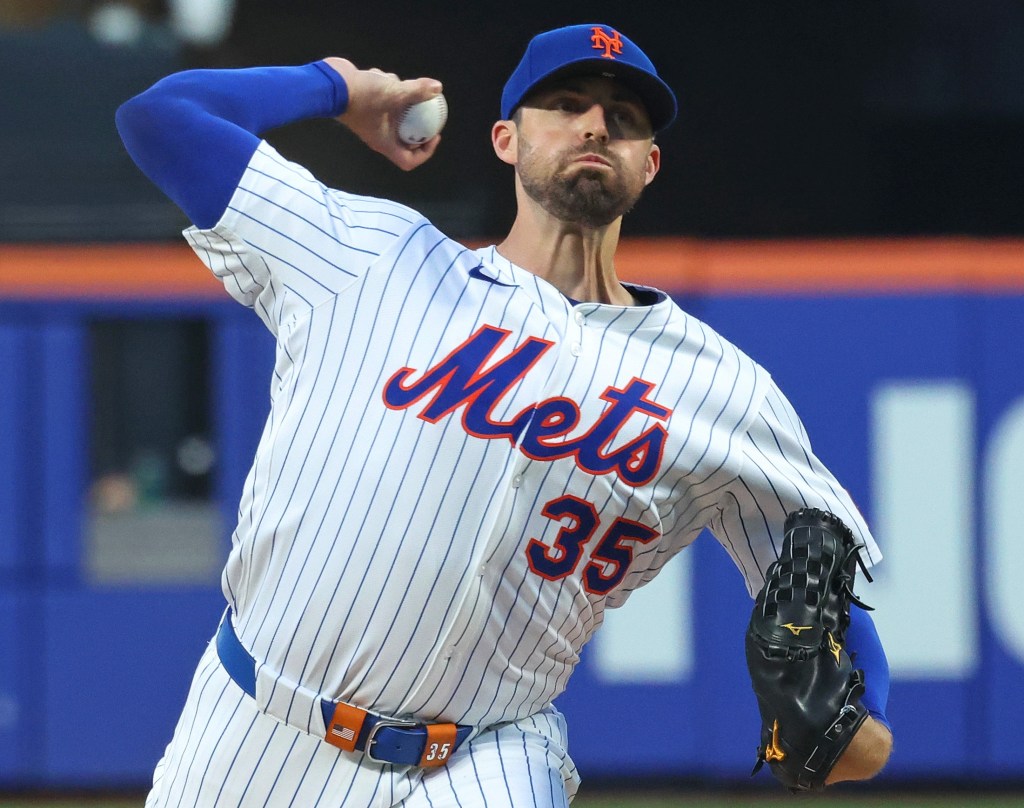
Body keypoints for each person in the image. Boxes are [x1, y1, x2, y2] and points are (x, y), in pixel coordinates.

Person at [117, 22, 893, 807]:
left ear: (649, 165)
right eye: (565, 104)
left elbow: (827, 599)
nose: (596, 125)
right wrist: (339, 86)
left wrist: (865, 731)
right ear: (505, 140)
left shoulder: (723, 391)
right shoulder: (372, 255)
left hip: (488, 757)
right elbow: (161, 119)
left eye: (624, 119)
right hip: (262, 724)